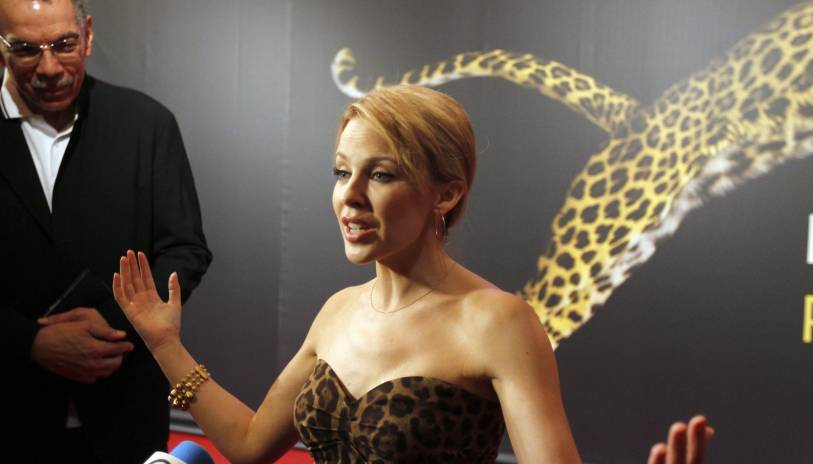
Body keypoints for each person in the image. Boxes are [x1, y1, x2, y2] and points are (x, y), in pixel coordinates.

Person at [91, 85, 709, 463]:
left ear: (447, 193)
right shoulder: (338, 311)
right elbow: (251, 445)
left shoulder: (498, 322)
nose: (350, 196)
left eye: (381, 174)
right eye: (342, 172)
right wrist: (165, 343)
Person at [0, 0, 212, 462]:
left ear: (89, 35)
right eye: (27, 49)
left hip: (124, 417)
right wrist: (27, 342)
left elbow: (185, 250)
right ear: (1, 48)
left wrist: (114, 323)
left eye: (64, 44)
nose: (49, 68)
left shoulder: (147, 124)